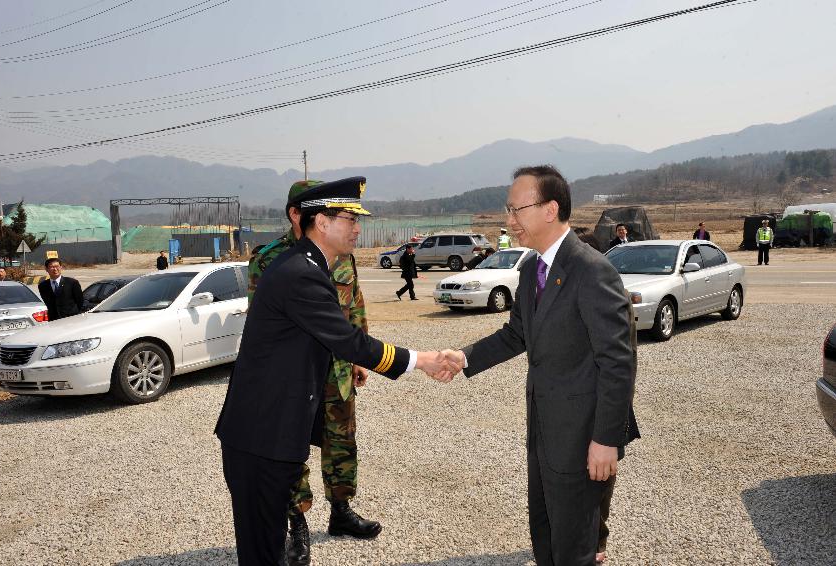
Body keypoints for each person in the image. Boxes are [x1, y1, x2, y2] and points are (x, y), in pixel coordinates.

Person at [215, 176, 460, 566]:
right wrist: (423, 359)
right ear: (321, 222)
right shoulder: (300, 273)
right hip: (263, 435)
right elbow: (348, 341)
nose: (358, 228)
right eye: (349, 218)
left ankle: (337, 510)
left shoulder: (311, 265)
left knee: (266, 543)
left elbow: (342, 331)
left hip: (271, 428)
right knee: (262, 548)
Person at [444, 165, 635, 566]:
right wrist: (463, 358)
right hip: (544, 428)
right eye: (508, 210)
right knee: (546, 529)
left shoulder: (591, 270)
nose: (509, 221)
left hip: (584, 436)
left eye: (517, 210)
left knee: (575, 543)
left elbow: (618, 362)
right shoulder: (531, 268)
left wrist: (606, 439)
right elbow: (517, 334)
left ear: (550, 209)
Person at [246, 179, 381, 566]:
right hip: (298, 374)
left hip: (337, 369)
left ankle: (341, 511)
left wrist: (361, 355)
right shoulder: (268, 259)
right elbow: (264, 325)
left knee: (342, 440)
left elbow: (354, 304)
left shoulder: (340, 253)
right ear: (297, 214)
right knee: (293, 447)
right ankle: (297, 524)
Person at [576, 230, 641, 564]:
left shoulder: (611, 293)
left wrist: (611, 424)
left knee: (601, 476)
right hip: (577, 406)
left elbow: (622, 363)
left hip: (606, 405)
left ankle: (598, 542)